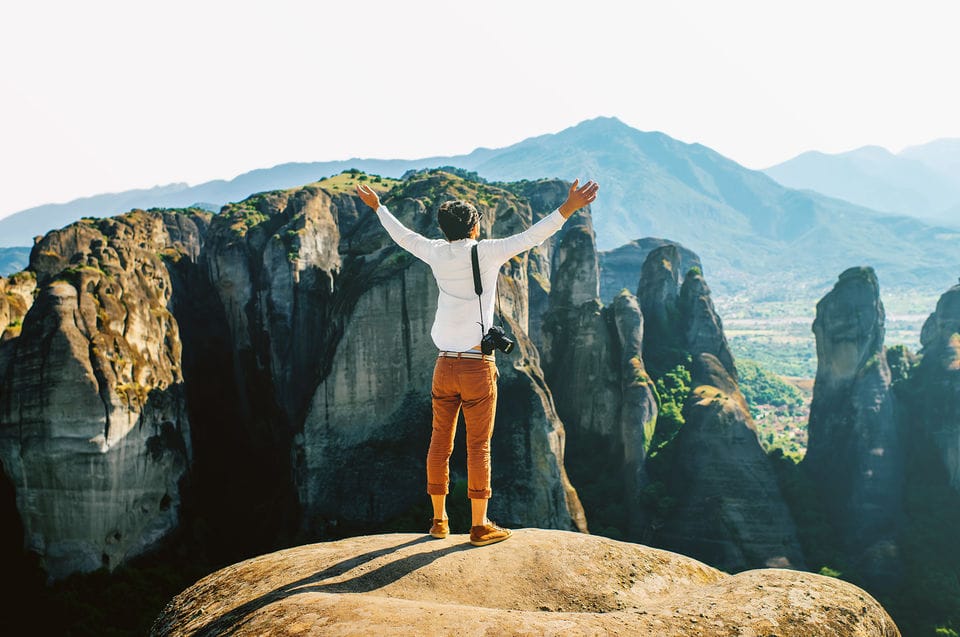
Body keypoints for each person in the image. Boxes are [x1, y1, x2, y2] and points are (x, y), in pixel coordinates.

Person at [356, 178, 599, 546]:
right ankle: (479, 525)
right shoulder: (487, 252)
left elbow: (402, 236)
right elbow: (533, 235)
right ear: (474, 226)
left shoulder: (435, 251)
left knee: (440, 442)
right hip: (476, 367)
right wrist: (569, 208)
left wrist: (378, 207)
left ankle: (439, 521)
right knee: (478, 446)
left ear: (445, 229)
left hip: (443, 364)